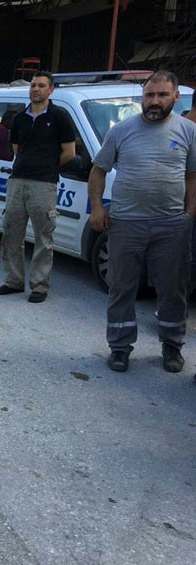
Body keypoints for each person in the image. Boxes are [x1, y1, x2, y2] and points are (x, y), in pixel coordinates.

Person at [88, 71, 196, 373]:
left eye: (162, 95)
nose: (155, 101)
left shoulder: (188, 131)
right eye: (149, 95)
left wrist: (189, 213)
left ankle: (172, 346)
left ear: (175, 97)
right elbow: (98, 170)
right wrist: (98, 207)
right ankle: (120, 348)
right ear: (142, 97)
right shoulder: (121, 131)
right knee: (121, 287)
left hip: (172, 225)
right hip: (126, 223)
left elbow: (192, 175)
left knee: (173, 289)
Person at [0, 71, 75, 302]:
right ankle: (13, 281)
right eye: (33, 86)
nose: (35, 89)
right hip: (17, 182)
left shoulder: (60, 117)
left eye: (40, 86)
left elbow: (69, 153)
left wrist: (46, 165)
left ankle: (39, 286)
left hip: (44, 184)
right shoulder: (19, 119)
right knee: (11, 233)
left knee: (43, 238)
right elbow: (18, 150)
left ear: (51, 90)